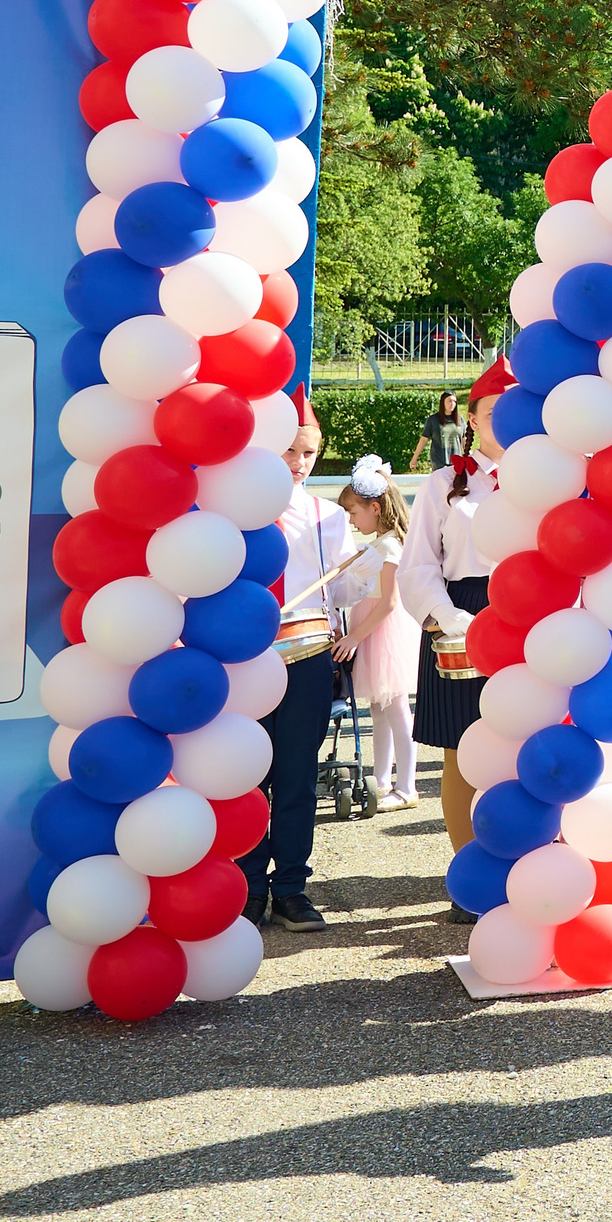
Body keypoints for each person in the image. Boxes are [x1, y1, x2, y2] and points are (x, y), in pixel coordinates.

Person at [400, 364, 510, 887]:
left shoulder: (554, 479)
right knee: (462, 751)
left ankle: (526, 867)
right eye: (494, 412)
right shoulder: (446, 482)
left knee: (527, 744)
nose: (507, 420)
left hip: (532, 615)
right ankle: (472, 875)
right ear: (471, 418)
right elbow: (417, 564)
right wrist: (451, 619)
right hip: (462, 611)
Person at [247, 396, 353, 932]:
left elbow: (346, 585)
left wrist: (376, 567)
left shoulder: (327, 515)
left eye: (308, 452)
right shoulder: (236, 506)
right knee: (245, 777)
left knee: (296, 778)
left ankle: (290, 887)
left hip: (306, 656)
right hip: (244, 660)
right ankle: (246, 888)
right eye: (290, 450)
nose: (299, 462)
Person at [335, 456, 421, 812]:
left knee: (397, 708)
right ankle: (382, 781)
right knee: (379, 708)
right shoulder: (378, 544)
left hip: (382, 629)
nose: (352, 521)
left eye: (354, 513)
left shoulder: (390, 547)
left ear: (375, 507)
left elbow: (389, 602)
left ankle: (407, 786)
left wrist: (355, 637)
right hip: (370, 625)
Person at [412, 391, 463, 471]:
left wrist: (468, 455)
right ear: (443, 403)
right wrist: (415, 458)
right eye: (449, 401)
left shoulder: (460, 420)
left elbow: (464, 439)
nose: (452, 404)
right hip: (439, 462)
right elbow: (424, 439)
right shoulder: (433, 420)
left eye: (454, 401)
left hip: (456, 461)